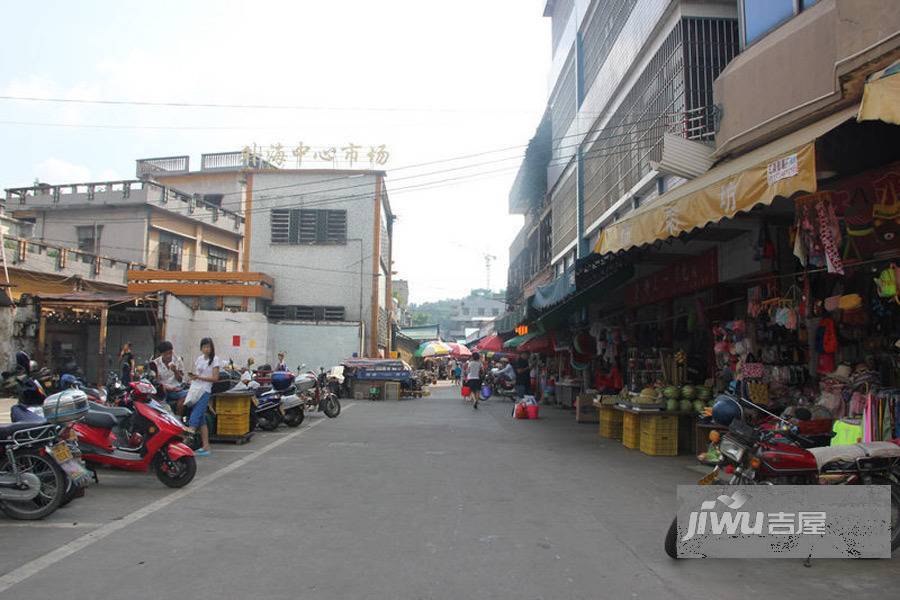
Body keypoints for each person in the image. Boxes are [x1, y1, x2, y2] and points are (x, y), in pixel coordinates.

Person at [187, 337, 221, 457]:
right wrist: (193, 378)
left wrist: (199, 378)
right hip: (195, 390)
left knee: (194, 417)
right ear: (201, 348)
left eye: (209, 347)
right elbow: (196, 374)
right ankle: (206, 446)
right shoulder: (199, 359)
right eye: (205, 347)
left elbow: (215, 378)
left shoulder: (215, 360)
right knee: (201, 419)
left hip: (205, 391)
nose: (207, 349)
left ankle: (185, 444)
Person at [152, 341, 187, 415]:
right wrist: (169, 388)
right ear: (161, 354)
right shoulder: (156, 363)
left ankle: (178, 418)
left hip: (176, 389)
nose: (169, 356)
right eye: (166, 354)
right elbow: (156, 381)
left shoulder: (178, 360)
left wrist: (175, 371)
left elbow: (180, 379)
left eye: (170, 353)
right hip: (163, 390)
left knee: (186, 395)